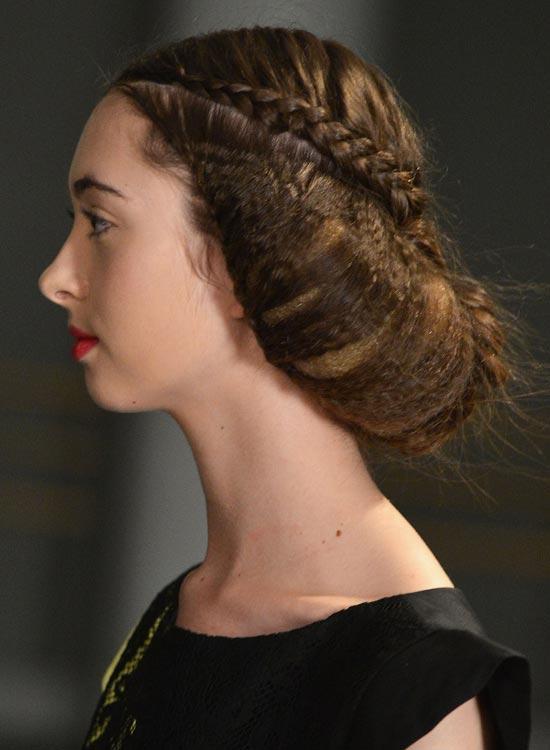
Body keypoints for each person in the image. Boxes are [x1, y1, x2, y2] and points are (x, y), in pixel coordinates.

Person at [38, 25, 531, 750]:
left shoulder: (418, 698)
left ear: (247, 254)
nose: (56, 277)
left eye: (101, 222)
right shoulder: (180, 614)